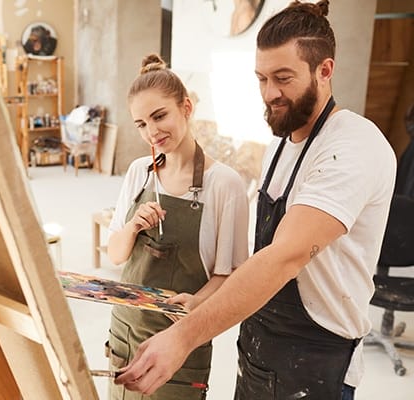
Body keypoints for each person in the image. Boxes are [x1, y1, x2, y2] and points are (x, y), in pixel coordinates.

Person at [114, 2, 397, 399]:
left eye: (283, 78)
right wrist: (201, 304)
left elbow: (284, 257)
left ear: (325, 70)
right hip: (260, 348)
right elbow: (254, 260)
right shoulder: (279, 147)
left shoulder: (352, 147)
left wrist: (182, 337)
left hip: (314, 361)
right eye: (261, 78)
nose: (270, 94)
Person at [106, 53, 249, 400]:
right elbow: (114, 254)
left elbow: (232, 276)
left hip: (178, 342)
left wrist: (197, 304)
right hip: (126, 329)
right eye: (141, 124)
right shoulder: (140, 172)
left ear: (186, 107)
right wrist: (133, 228)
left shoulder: (224, 185)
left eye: (159, 116)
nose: (152, 132)